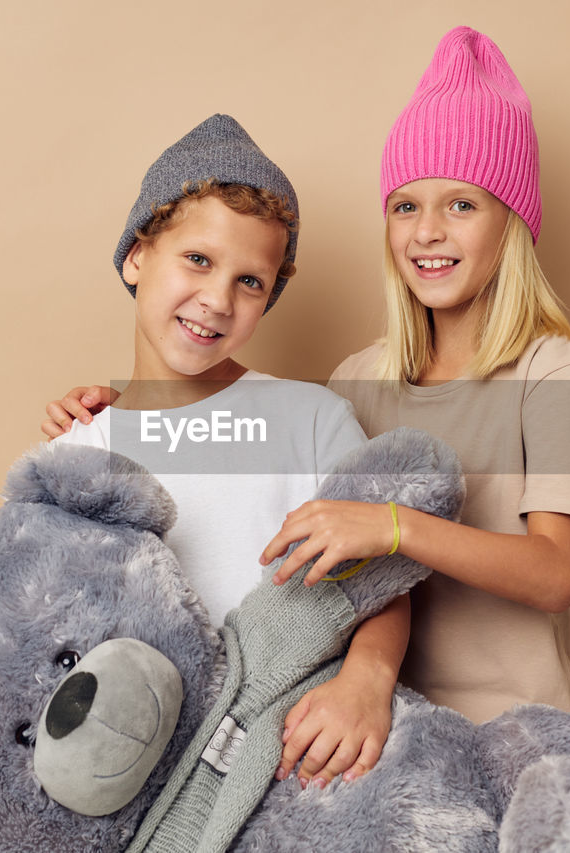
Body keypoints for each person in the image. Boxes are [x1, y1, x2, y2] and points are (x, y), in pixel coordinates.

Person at [44, 26, 570, 790]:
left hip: (510, 734)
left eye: (462, 204)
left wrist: (393, 529)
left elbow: (555, 575)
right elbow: (245, 424)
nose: (429, 231)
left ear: (511, 221)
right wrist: (133, 407)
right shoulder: (356, 381)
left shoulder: (554, 374)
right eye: (406, 204)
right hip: (367, 743)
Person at [48, 114, 411, 791]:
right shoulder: (83, 444)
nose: (217, 299)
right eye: (198, 259)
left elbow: (381, 576)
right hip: (145, 777)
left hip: (291, 765)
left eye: (251, 281)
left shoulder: (311, 418)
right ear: (136, 255)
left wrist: (367, 681)